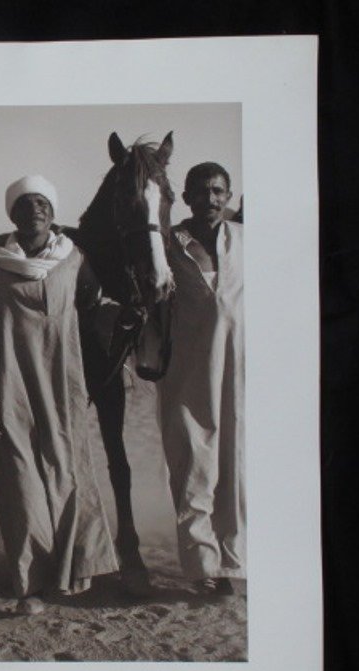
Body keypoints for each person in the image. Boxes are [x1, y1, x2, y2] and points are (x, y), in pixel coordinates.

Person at [0, 175, 119, 615]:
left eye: (42, 203)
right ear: (12, 213)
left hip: (62, 386)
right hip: (10, 388)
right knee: (20, 485)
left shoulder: (74, 260)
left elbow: (95, 310)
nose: (34, 209)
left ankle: (71, 571)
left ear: (53, 212)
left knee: (68, 476)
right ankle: (28, 587)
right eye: (25, 204)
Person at [159, 162, 245, 596]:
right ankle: (202, 566)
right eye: (201, 191)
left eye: (218, 191)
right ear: (187, 196)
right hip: (187, 371)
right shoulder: (170, 242)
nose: (210, 199)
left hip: (238, 372)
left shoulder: (246, 239)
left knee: (235, 463)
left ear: (228, 196)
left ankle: (232, 562)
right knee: (194, 463)